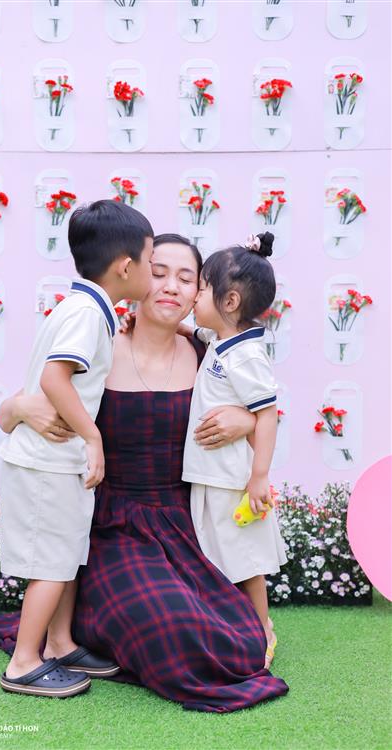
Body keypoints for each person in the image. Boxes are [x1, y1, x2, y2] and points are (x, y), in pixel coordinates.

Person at [0, 233, 289, 713]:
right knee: (168, 626)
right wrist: (17, 407)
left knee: (235, 638)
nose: (170, 286)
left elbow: (263, 411)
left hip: (183, 524)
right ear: (137, 276)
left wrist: (245, 421)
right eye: (158, 272)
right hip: (109, 526)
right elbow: (13, 415)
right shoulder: (100, 346)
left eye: (187, 278)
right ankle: (74, 628)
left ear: (202, 293)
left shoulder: (211, 355)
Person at [0, 200, 154, 697]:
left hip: (55, 462)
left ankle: (60, 643)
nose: (153, 273)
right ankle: (24, 662)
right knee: (51, 563)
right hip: (46, 463)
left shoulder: (88, 309)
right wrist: (93, 436)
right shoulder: (86, 313)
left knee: (65, 555)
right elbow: (54, 378)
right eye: (151, 262)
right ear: (125, 267)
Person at [181, 232, 287, 669]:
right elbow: (198, 332)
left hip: (231, 479)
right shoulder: (221, 340)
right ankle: (235, 627)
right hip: (212, 474)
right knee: (218, 558)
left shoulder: (246, 356)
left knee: (244, 561)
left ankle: (262, 631)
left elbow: (267, 414)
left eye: (202, 288)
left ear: (229, 301)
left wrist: (259, 476)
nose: (194, 295)